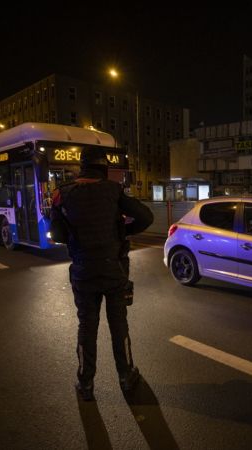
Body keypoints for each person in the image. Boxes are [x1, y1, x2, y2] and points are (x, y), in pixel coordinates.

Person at [50, 147, 153, 401]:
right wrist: (123, 233)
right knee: (119, 325)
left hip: (84, 272)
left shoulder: (62, 195)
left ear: (81, 167)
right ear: (104, 169)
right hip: (113, 271)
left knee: (87, 326)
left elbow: (59, 236)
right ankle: (126, 377)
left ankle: (85, 384)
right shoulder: (113, 191)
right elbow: (145, 216)